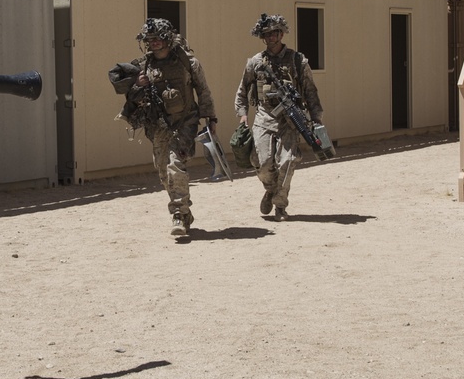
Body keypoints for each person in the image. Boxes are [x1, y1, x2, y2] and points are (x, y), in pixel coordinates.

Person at [109, 18, 217, 237]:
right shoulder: (143, 66)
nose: (154, 42)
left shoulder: (189, 63)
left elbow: (203, 91)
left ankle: (178, 213)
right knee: (162, 171)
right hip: (158, 125)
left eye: (158, 38)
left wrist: (210, 119)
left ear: (168, 38)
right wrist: (138, 86)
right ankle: (185, 211)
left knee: (176, 165)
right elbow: (129, 95)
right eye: (149, 39)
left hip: (185, 121)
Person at [234, 13, 324, 221]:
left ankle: (280, 206)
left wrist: (316, 119)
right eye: (266, 34)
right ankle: (270, 189)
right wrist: (242, 115)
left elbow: (310, 91)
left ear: (282, 34)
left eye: (274, 33)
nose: (270, 37)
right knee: (262, 162)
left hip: (291, 118)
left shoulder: (297, 60)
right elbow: (242, 91)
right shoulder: (255, 62)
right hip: (264, 116)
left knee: (287, 162)